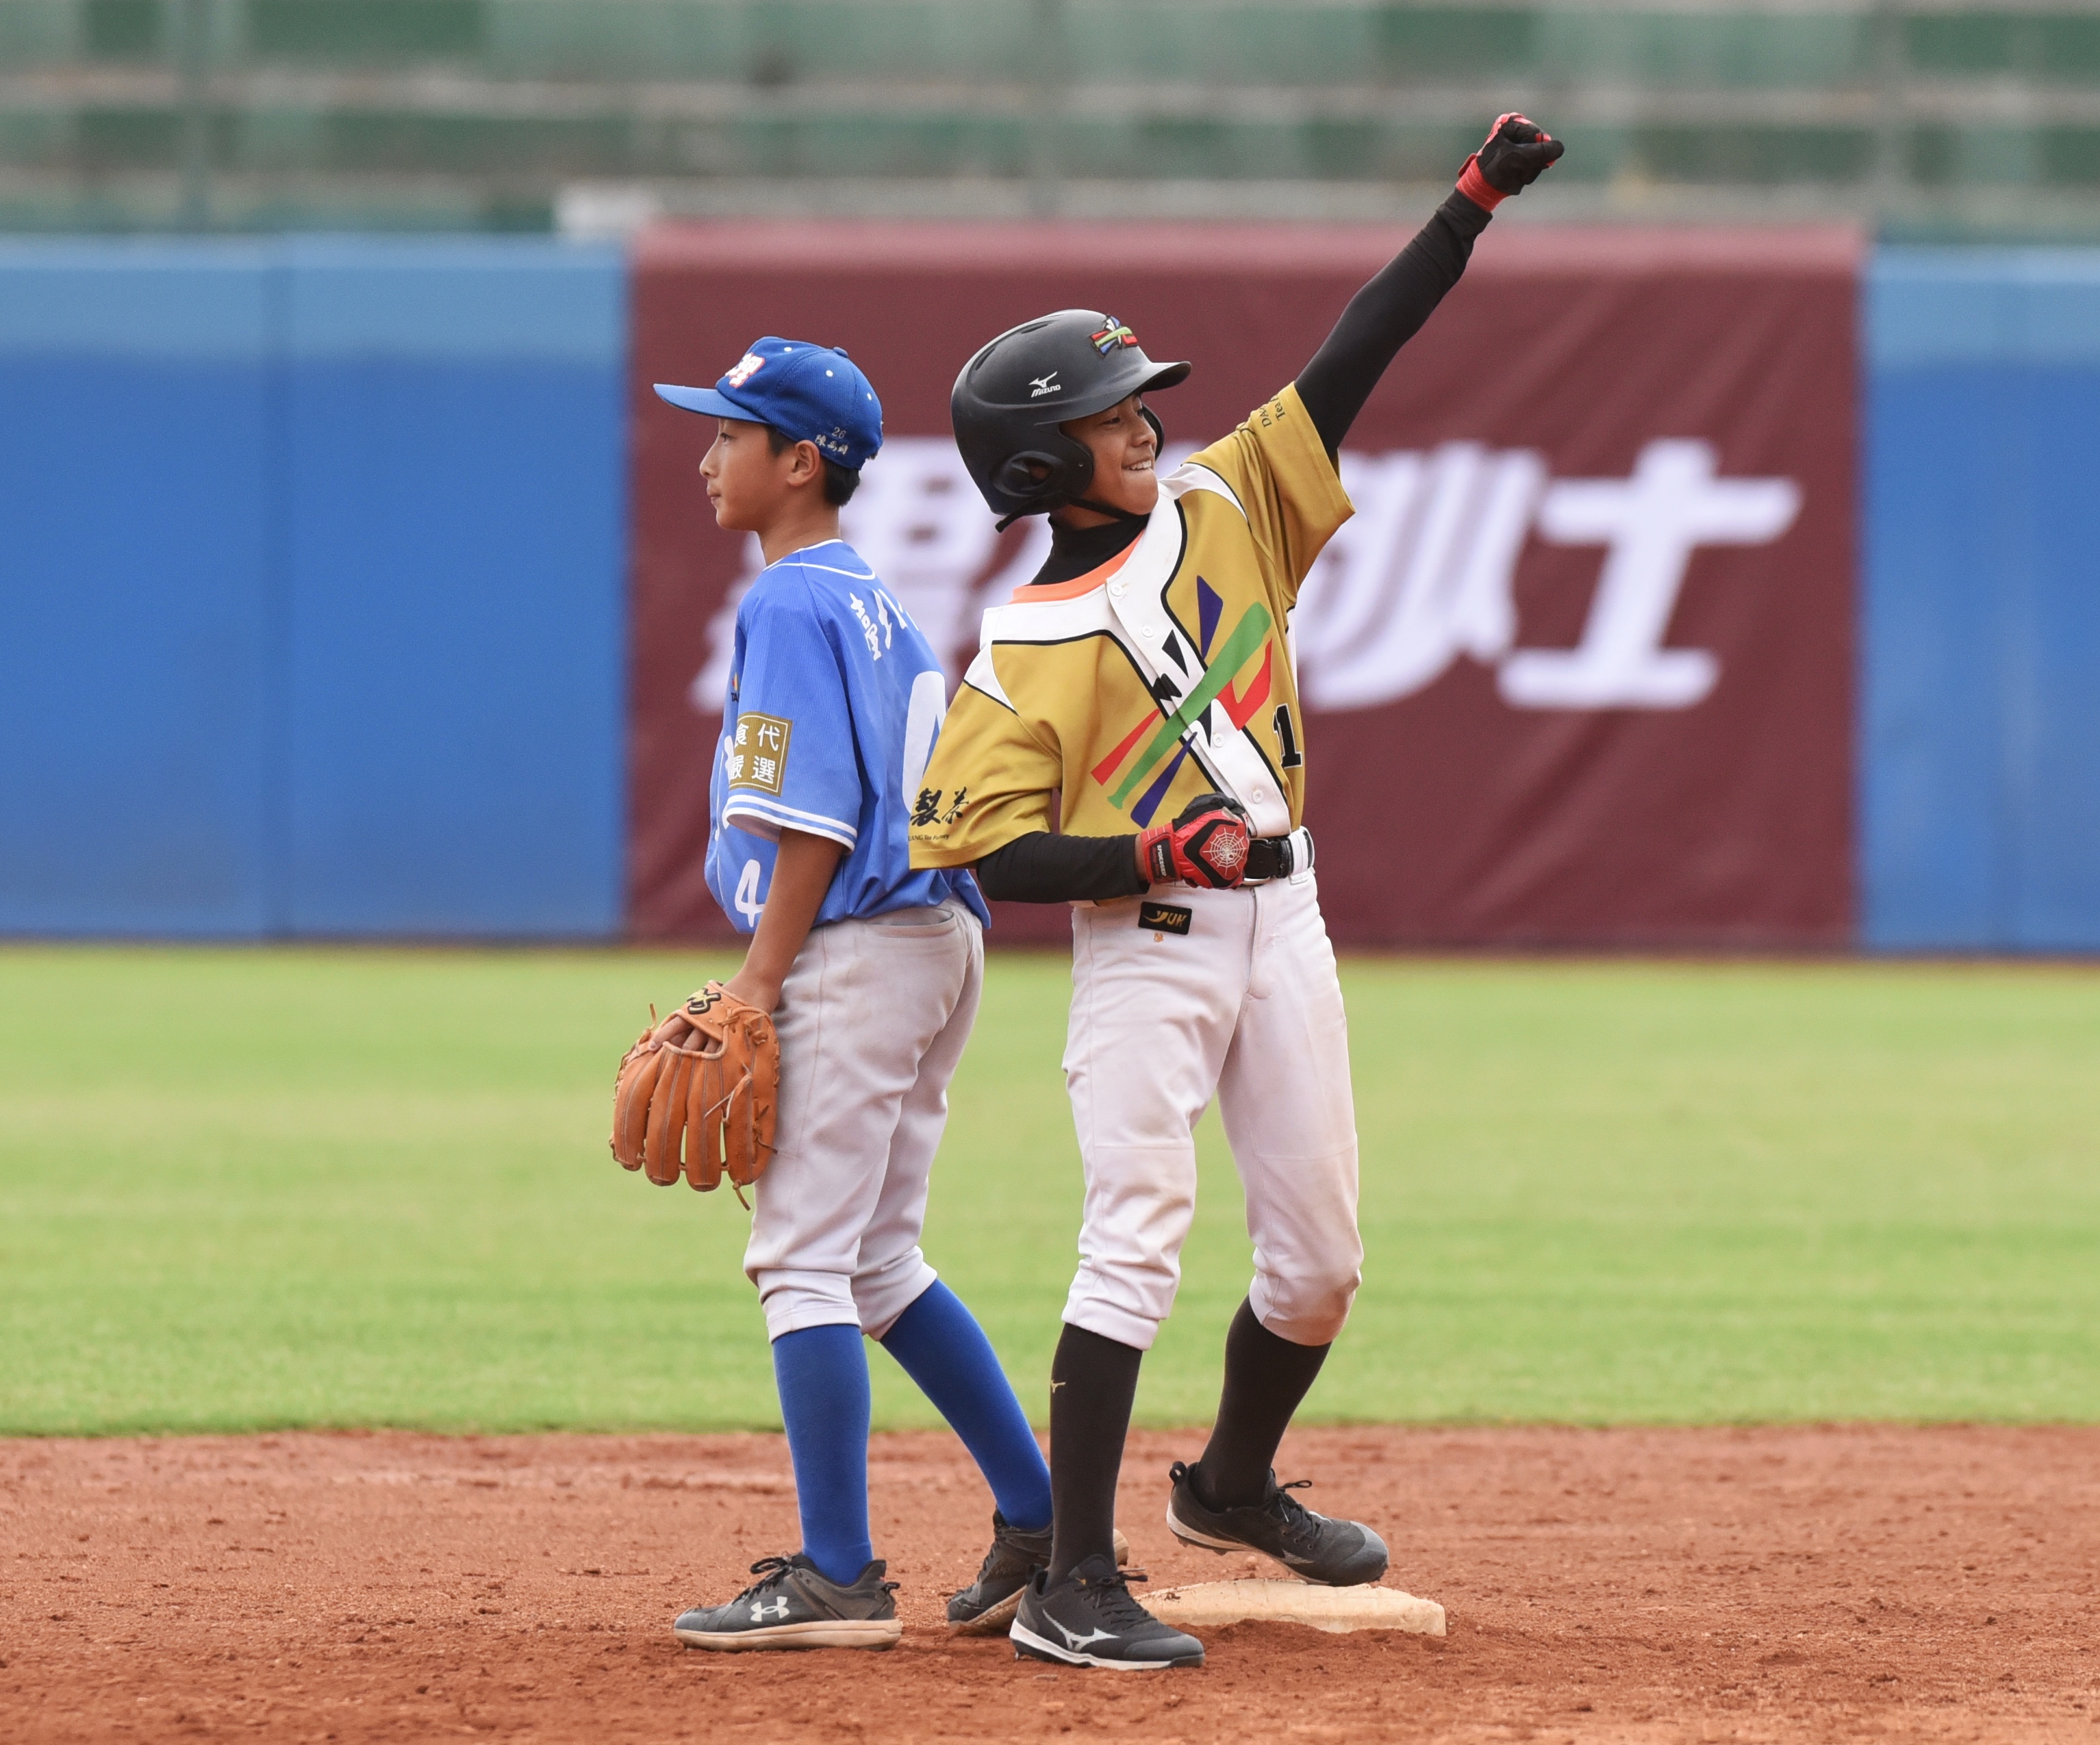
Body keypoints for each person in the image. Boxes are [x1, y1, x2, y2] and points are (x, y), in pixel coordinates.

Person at [906, 116, 1566, 1671]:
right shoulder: (1017, 653)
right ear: (1034, 465)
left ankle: (1232, 1484)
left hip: (1287, 918)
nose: (1144, 424)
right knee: (1134, 1232)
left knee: (1320, 1261)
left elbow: (1358, 354)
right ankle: (1072, 1578)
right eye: (1110, 416)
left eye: (1141, 405)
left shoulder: (1227, 506)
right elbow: (991, 855)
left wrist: (1467, 204)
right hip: (1146, 949)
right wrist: (1151, 853)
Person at [646, 336, 1063, 1651]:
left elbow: (811, 821)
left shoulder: (784, 601)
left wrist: (758, 982)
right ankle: (1044, 1518)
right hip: (937, 938)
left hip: (859, 941)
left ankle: (836, 1574)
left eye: (732, 434)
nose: (709, 455)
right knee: (878, 1260)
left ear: (799, 461)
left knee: (799, 1263)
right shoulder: (874, 596)